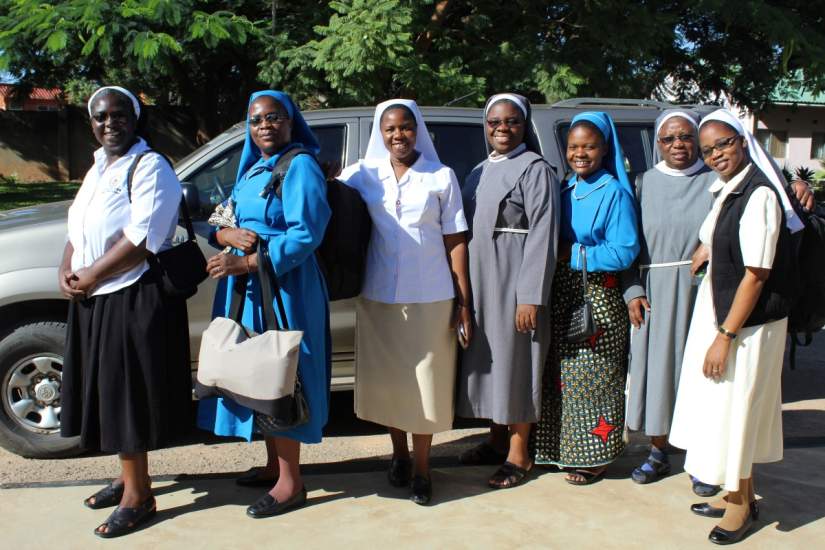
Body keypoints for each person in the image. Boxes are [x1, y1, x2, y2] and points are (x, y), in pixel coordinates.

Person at [60, 86, 191, 537]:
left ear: (135, 119)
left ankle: (139, 497)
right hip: (94, 295)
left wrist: (92, 274)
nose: (109, 124)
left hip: (130, 295)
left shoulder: (150, 166)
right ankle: (128, 476)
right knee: (106, 392)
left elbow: (142, 238)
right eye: (100, 117)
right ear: (91, 123)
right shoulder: (97, 168)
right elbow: (78, 228)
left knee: (126, 397)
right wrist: (67, 270)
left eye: (118, 115)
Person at [669, 108, 804, 545]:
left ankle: (743, 506)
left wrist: (724, 337)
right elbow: (713, 239)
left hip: (748, 328)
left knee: (739, 412)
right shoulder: (727, 189)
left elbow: (756, 273)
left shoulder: (759, 194)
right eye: (708, 150)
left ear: (743, 142)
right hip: (727, 317)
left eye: (723, 144)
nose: (715, 154)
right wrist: (704, 252)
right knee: (724, 411)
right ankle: (733, 491)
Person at [197, 90, 331, 519]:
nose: (265, 126)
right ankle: (275, 466)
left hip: (284, 288)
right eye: (257, 120)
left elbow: (306, 234)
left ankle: (291, 483)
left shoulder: (301, 166)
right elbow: (223, 216)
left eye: (275, 118)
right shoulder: (253, 167)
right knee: (255, 371)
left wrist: (249, 262)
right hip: (249, 287)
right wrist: (226, 237)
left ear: (291, 122)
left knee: (283, 373)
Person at [338, 99, 471, 505]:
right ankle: (398, 455)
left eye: (406, 127)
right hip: (378, 297)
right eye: (391, 128)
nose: (399, 135)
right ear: (381, 132)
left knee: (426, 387)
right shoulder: (362, 174)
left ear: (418, 130)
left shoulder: (440, 176)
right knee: (393, 386)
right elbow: (327, 200)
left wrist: (464, 302)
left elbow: (456, 242)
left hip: (431, 296)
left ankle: (423, 468)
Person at [456, 93, 559, 488]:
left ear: (524, 125)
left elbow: (543, 233)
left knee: (517, 361)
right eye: (495, 122)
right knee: (492, 360)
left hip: (514, 279)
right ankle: (496, 440)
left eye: (512, 121)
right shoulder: (479, 170)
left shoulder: (535, 169)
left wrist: (530, 295)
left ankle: (519, 453)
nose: (502, 128)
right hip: (482, 281)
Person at [533, 111, 640, 485]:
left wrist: (575, 253)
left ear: (604, 148)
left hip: (598, 299)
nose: (581, 154)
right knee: (561, 377)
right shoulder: (565, 189)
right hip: (563, 292)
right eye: (574, 146)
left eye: (589, 146)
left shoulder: (614, 192)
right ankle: (561, 449)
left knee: (595, 379)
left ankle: (596, 456)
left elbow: (625, 250)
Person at [620, 109, 720, 491]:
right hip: (655, 289)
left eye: (685, 137)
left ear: (697, 140)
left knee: (699, 373)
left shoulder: (715, 180)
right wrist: (633, 290)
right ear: (657, 143)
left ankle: (702, 458)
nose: (678, 145)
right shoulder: (642, 183)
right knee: (659, 372)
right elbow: (630, 244)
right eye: (668, 139)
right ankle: (659, 451)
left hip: (702, 290)